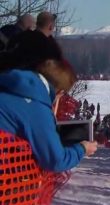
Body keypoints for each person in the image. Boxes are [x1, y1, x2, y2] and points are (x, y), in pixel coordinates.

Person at [0, 59, 97, 203]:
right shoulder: (35, 107)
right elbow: (55, 160)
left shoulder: (10, 87)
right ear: (59, 91)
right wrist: (82, 148)